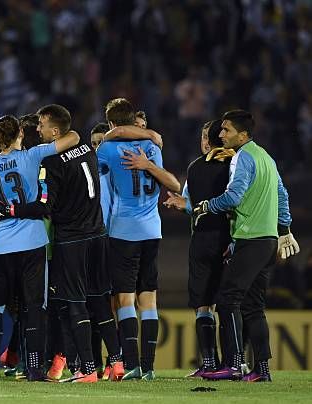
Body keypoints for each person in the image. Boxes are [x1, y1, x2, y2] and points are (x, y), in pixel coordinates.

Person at [0, 105, 122, 383]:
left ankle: (87, 369)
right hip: (98, 234)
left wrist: (10, 209)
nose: (38, 130)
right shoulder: (86, 148)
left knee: (74, 304)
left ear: (55, 130)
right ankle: (117, 363)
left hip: (72, 239)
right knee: (100, 301)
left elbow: (43, 206)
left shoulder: (49, 162)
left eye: (42, 125)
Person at [0, 114, 80, 382]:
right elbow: (74, 138)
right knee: (34, 307)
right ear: (20, 133)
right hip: (32, 242)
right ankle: (34, 368)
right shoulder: (32, 156)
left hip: (2, 245)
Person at [192, 110, 299, 382]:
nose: (221, 134)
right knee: (254, 307)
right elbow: (282, 195)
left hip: (250, 239)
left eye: (226, 129)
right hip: (268, 241)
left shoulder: (243, 157)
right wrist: (284, 230)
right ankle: (261, 370)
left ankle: (234, 364)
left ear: (242, 135)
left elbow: (234, 197)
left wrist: (207, 206)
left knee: (227, 300)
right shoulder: (267, 158)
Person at [97, 98, 180, 381]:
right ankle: (149, 367)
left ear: (111, 123)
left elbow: (98, 164)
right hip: (152, 230)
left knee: (125, 299)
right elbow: (169, 181)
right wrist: (149, 136)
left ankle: (132, 364)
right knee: (149, 299)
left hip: (123, 230)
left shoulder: (107, 149)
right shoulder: (152, 147)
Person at [164, 120, 235, 376]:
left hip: (203, 239)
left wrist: (181, 204)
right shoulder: (234, 164)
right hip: (227, 239)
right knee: (228, 304)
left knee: (203, 304)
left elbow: (193, 205)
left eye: (205, 136)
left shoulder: (195, 167)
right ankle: (233, 362)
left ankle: (209, 363)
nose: (203, 141)